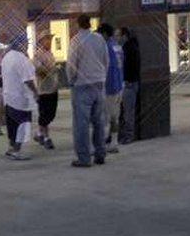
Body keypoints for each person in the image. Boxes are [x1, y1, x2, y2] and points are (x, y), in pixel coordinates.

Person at [65, 13, 108, 167]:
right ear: (90, 24)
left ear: (78, 24)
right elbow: (106, 60)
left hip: (82, 86)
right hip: (99, 84)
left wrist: (71, 81)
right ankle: (100, 154)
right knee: (99, 121)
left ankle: (84, 158)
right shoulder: (99, 39)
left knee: (81, 124)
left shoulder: (76, 41)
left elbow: (71, 65)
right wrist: (102, 77)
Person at [0, 36, 38, 160]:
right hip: (21, 99)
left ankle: (11, 148)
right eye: (26, 43)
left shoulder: (7, 57)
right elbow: (27, 79)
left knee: (12, 124)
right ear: (20, 44)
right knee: (23, 124)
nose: (27, 46)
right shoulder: (21, 59)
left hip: (9, 97)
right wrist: (36, 92)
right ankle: (16, 150)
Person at [98, 23, 124, 153]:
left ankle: (105, 143)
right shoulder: (117, 47)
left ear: (104, 34)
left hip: (109, 86)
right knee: (115, 116)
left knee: (106, 117)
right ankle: (113, 141)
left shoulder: (106, 47)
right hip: (119, 85)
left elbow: (107, 67)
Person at [32, 30, 60, 149]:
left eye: (50, 39)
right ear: (41, 41)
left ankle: (39, 134)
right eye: (47, 39)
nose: (49, 41)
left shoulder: (51, 54)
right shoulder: (38, 55)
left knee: (51, 114)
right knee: (44, 114)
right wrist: (52, 69)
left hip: (53, 88)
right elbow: (39, 70)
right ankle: (46, 137)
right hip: (43, 90)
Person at [118, 26, 140, 144]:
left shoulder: (128, 49)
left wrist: (127, 79)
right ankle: (126, 134)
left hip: (129, 83)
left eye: (119, 35)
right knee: (127, 111)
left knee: (128, 112)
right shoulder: (131, 47)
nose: (117, 38)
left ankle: (128, 135)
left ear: (124, 36)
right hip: (130, 83)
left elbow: (129, 66)